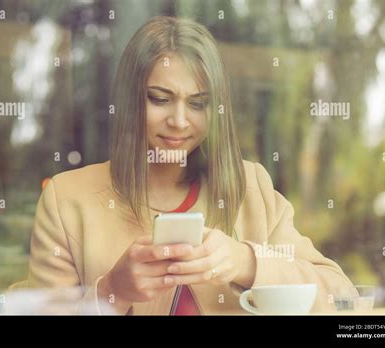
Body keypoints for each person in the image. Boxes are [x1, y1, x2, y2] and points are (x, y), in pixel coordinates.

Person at [28, 16, 353, 315]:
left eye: (198, 103)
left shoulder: (252, 188)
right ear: (129, 100)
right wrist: (112, 292)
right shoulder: (67, 200)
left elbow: (345, 301)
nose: (180, 121)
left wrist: (247, 262)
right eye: (160, 98)